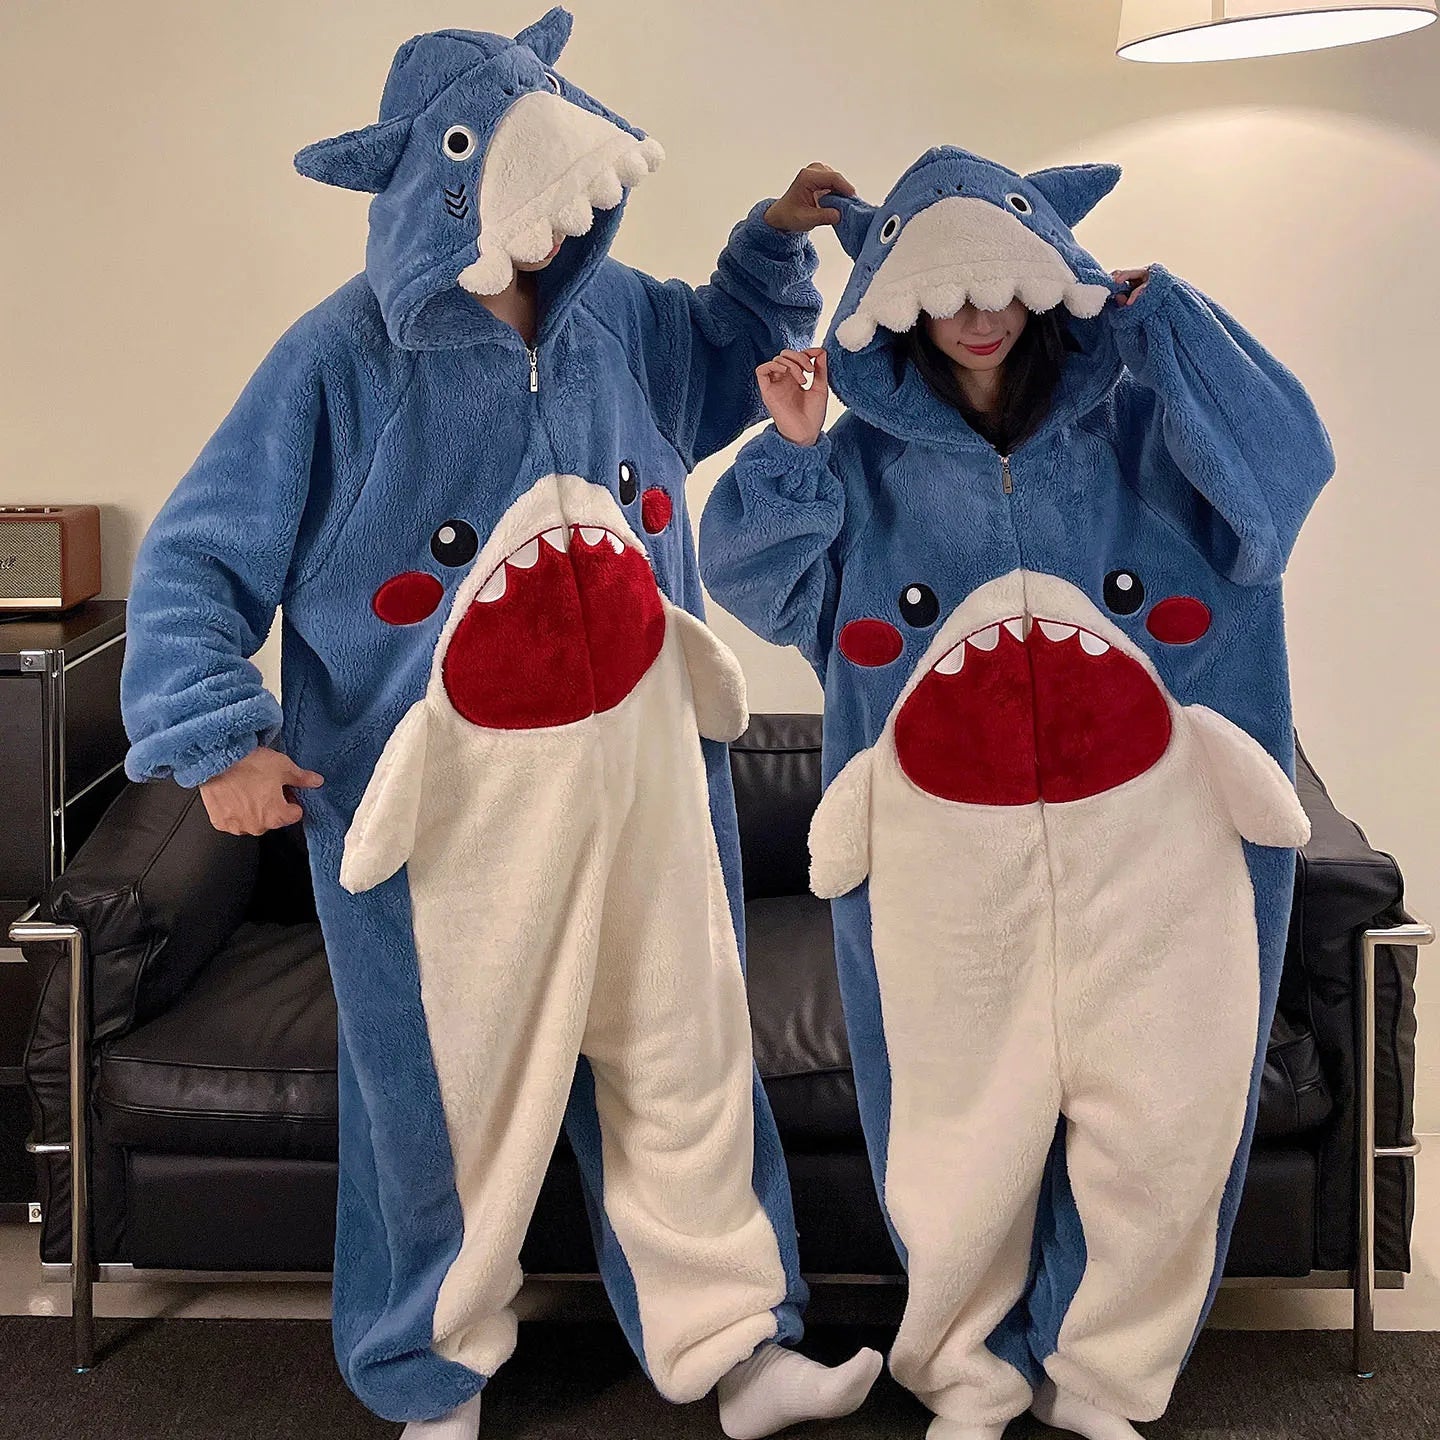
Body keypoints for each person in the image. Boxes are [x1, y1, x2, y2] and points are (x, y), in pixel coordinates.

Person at [121, 10, 882, 1438]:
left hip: (651, 778)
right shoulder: (341, 360)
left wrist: (775, 239)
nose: (551, 237)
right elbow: (198, 558)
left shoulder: (621, 319)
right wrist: (217, 737)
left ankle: (735, 1348)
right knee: (440, 1107)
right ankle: (431, 1378)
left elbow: (725, 357)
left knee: (688, 1060)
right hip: (446, 812)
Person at [699, 144, 1334, 1440]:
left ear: (1050, 275)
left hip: (1154, 840)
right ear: (901, 304)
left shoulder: (1139, 417)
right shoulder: (871, 457)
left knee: (1160, 1125)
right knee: (952, 1131)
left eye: (1000, 283)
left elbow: (1283, 482)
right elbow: (758, 584)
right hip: (949, 853)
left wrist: (1174, 326)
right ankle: (968, 1377)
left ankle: (1103, 1381)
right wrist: (798, 445)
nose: (977, 314)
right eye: (944, 291)